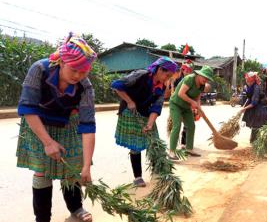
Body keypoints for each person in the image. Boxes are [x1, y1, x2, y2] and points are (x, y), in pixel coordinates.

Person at [16, 33, 97, 222]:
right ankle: (42, 218)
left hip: (67, 123)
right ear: (61, 62)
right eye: (74, 70)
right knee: (42, 172)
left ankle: (76, 208)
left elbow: (88, 125)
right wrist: (47, 142)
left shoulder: (85, 87)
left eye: (83, 71)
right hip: (38, 123)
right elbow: (27, 108)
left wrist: (86, 166)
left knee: (72, 170)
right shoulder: (39, 69)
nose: (78, 76)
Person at [111, 57, 178, 187]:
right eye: (166, 74)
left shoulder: (161, 88)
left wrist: (150, 123)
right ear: (159, 69)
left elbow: (156, 107)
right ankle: (138, 177)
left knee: (154, 142)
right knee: (135, 145)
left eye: (170, 76)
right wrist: (129, 101)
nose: (167, 78)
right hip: (130, 112)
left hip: (146, 113)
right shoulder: (141, 75)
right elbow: (117, 85)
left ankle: (158, 172)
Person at [168, 65, 214, 159]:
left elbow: (197, 97)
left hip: (186, 107)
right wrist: (192, 102)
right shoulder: (189, 79)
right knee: (177, 125)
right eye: (205, 77)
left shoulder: (202, 85)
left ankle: (189, 149)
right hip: (176, 104)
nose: (206, 80)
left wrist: (199, 108)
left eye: (207, 78)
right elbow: (181, 93)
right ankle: (171, 152)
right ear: (199, 74)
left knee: (191, 126)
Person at [240, 72, 267, 143]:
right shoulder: (249, 86)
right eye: (246, 79)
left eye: (247, 79)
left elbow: (254, 102)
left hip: (260, 107)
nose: (246, 81)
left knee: (256, 124)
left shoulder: (256, 87)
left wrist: (244, 109)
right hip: (255, 107)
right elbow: (249, 98)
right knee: (254, 123)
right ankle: (254, 140)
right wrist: (244, 106)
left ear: (251, 80)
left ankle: (255, 141)